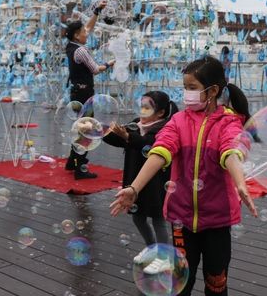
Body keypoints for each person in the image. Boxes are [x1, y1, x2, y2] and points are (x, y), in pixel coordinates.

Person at [110, 56, 257, 296]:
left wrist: (240, 182)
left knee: (216, 283)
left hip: (218, 221)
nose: (186, 93)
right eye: (185, 87)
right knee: (180, 283)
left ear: (213, 91)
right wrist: (134, 188)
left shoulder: (228, 122)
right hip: (181, 219)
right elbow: (159, 152)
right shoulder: (178, 121)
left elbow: (230, 151)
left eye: (192, 88)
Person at [104, 91, 178, 266]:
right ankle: (152, 249)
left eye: (147, 107)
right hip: (134, 181)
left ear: (160, 112)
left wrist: (128, 137)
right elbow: (119, 139)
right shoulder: (135, 125)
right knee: (138, 217)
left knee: (158, 218)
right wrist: (100, 131)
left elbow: (148, 144)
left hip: (156, 183)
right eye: (141, 106)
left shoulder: (164, 129)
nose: (142, 111)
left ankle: (163, 257)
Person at [64, 0, 115, 179]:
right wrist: (109, 63)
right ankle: (80, 168)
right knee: (87, 129)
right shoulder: (82, 51)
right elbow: (95, 69)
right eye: (83, 32)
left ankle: (71, 162)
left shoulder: (72, 47)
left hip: (76, 91)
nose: (87, 32)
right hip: (84, 93)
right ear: (77, 36)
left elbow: (88, 27)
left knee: (80, 127)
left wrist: (97, 11)